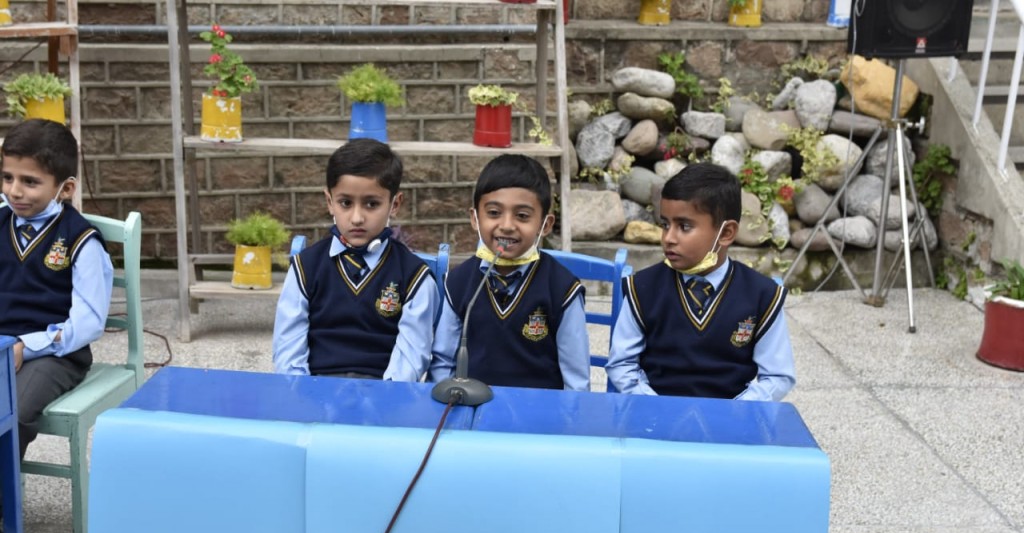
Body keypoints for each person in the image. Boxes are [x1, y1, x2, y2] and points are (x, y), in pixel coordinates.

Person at [1, 119, 114, 533]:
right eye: (7, 177)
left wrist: (25, 347)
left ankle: (2, 522)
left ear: (64, 188)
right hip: (2, 346)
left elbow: (88, 322)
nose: (15, 191)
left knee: (12, 411)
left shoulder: (81, 240)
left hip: (54, 354)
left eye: (30, 182)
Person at [606, 163, 795, 400]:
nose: (668, 238)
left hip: (731, 416)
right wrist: (656, 407)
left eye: (684, 226)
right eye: (665, 224)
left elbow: (778, 376)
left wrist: (733, 412)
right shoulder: (642, 288)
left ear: (726, 233)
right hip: (657, 414)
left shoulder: (761, 296)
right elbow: (622, 364)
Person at [273, 139, 439, 380]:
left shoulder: (414, 276)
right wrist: (302, 390)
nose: (357, 218)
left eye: (372, 204)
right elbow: (288, 348)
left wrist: (386, 395)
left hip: (383, 391)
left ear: (394, 204)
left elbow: (411, 356)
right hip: (316, 388)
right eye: (346, 203)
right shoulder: (305, 268)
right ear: (330, 202)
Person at [429, 154, 590, 391]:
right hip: (471, 406)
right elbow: (443, 363)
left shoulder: (563, 289)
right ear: (475, 218)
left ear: (545, 225)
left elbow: (576, 380)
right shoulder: (458, 283)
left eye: (522, 216)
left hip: (539, 410)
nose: (506, 225)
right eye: (494, 213)